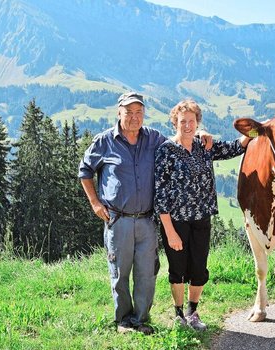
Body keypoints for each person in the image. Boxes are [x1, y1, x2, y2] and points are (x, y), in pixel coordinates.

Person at [78, 92, 212, 335]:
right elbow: (85, 170)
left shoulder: (153, 138)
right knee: (120, 273)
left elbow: (179, 140)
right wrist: (95, 203)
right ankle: (123, 321)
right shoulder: (105, 141)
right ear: (119, 113)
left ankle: (140, 320)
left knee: (147, 273)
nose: (134, 117)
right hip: (118, 219)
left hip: (147, 221)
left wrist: (199, 134)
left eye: (139, 112)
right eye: (128, 112)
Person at [154, 99, 251, 331]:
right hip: (176, 221)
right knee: (177, 268)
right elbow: (160, 193)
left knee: (199, 268)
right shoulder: (166, 151)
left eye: (191, 121)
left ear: (198, 123)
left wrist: (258, 130)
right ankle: (178, 314)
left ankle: (193, 313)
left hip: (201, 219)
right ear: (174, 122)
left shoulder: (204, 147)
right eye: (182, 121)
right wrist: (169, 231)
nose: (187, 125)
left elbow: (235, 147)